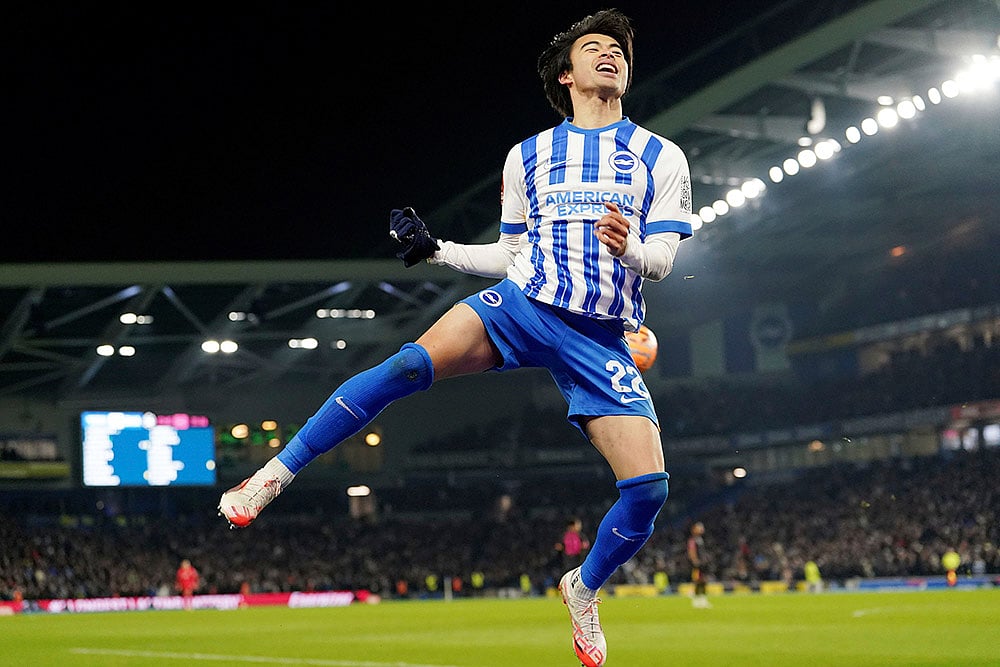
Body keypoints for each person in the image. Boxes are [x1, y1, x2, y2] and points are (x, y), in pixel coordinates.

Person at [218, 9, 693, 666]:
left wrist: (632, 248)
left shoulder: (660, 156)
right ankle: (270, 477)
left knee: (648, 491)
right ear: (567, 72)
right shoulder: (526, 156)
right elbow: (509, 255)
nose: (610, 54)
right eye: (595, 47)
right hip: (524, 306)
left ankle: (582, 589)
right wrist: (437, 249)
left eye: (619, 49)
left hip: (600, 337)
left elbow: (664, 259)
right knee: (408, 364)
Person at [686, 521, 711, 608]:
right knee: (698, 581)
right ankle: (697, 600)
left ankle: (702, 599)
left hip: (702, 563)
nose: (701, 529)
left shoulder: (700, 539)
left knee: (703, 581)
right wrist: (695, 560)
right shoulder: (693, 540)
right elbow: (691, 551)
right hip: (697, 564)